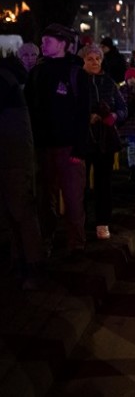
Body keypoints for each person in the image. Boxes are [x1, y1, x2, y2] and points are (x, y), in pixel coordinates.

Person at [25, 23, 90, 258]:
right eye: (43, 41)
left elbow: (83, 114)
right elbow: (29, 109)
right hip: (43, 147)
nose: (43, 45)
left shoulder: (76, 74)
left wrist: (79, 149)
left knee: (73, 199)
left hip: (69, 148)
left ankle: (76, 244)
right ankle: (47, 239)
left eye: (47, 41)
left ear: (62, 44)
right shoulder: (37, 73)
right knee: (45, 198)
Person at [0, 66, 45, 289]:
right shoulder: (6, 77)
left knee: (21, 211)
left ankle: (33, 265)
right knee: (13, 212)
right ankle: (20, 261)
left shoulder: (4, 80)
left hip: (13, 156)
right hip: (12, 153)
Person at [80, 43, 127, 241]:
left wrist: (114, 116)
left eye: (98, 58)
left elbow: (123, 108)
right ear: (83, 60)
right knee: (81, 185)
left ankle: (102, 222)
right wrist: (86, 117)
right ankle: (81, 222)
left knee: (103, 184)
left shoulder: (108, 82)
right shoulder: (78, 81)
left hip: (105, 141)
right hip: (83, 139)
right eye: (90, 59)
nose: (94, 62)